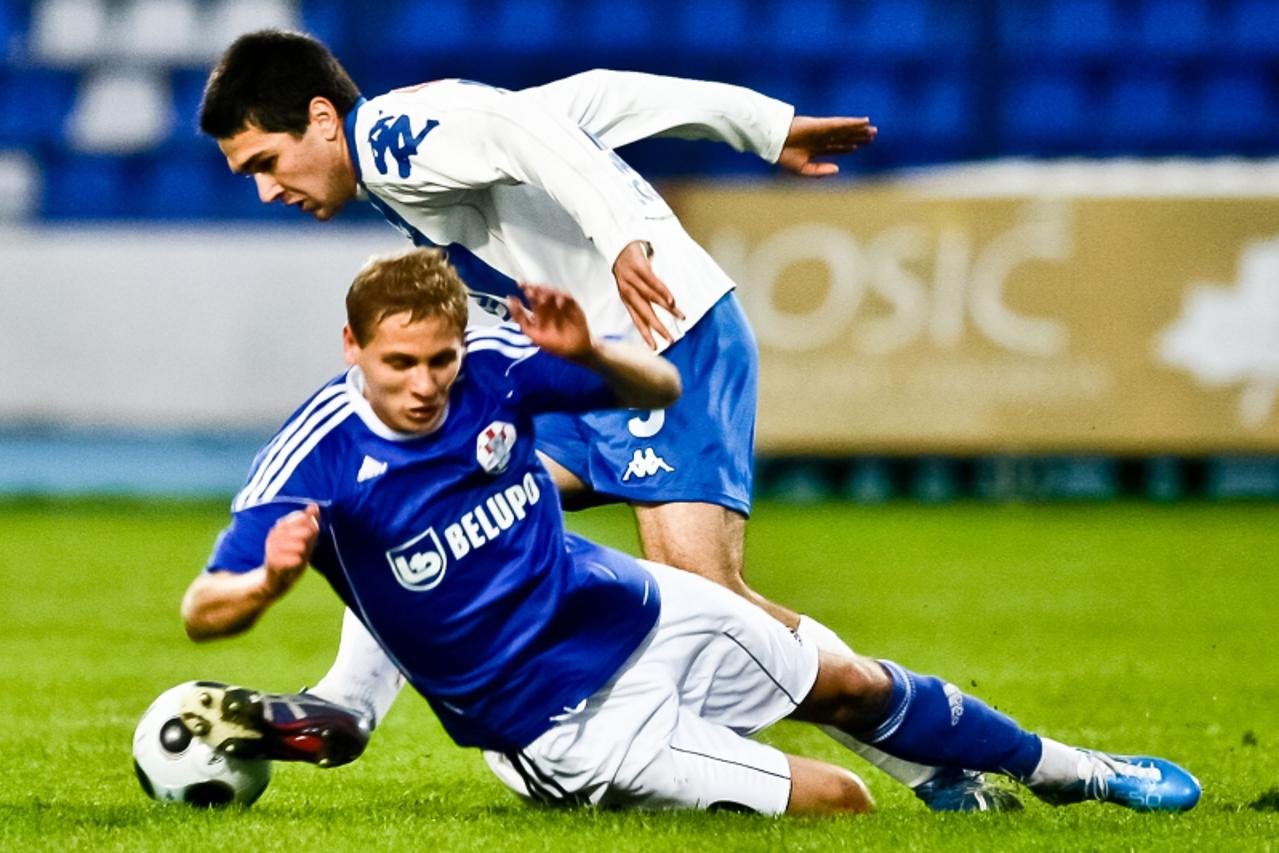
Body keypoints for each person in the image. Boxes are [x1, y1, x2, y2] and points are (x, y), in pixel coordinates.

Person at [196, 29, 995, 809]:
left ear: (323, 119)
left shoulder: (401, 138)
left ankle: (930, 760)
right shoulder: (398, 147)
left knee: (711, 599)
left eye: (266, 162)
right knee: (427, 495)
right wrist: (760, 124)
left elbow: (529, 130)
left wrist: (622, 237)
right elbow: (594, 99)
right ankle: (348, 699)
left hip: (658, 343)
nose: (268, 190)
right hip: (586, 365)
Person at [179, 248, 1200, 816]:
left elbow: (662, 389)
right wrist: (260, 586)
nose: (424, 384)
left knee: (850, 679)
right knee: (838, 804)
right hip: (562, 723)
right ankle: (637, 789)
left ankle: (1075, 771)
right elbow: (202, 609)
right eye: (399, 363)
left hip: (637, 608)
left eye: (439, 360)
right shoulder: (314, 457)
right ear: (351, 346)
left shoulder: (493, 363)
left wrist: (599, 358)